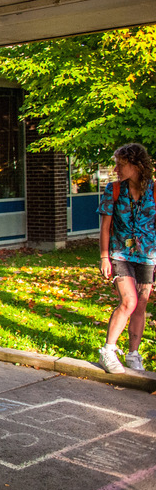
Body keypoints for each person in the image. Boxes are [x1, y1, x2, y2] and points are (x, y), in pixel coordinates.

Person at [97, 143, 155, 373]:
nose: (116, 169)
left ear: (136, 165)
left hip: (147, 255)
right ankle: (108, 350)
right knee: (129, 301)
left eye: (121, 164)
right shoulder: (114, 190)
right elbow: (105, 228)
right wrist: (104, 257)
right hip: (120, 254)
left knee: (140, 305)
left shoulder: (154, 190)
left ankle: (133, 354)